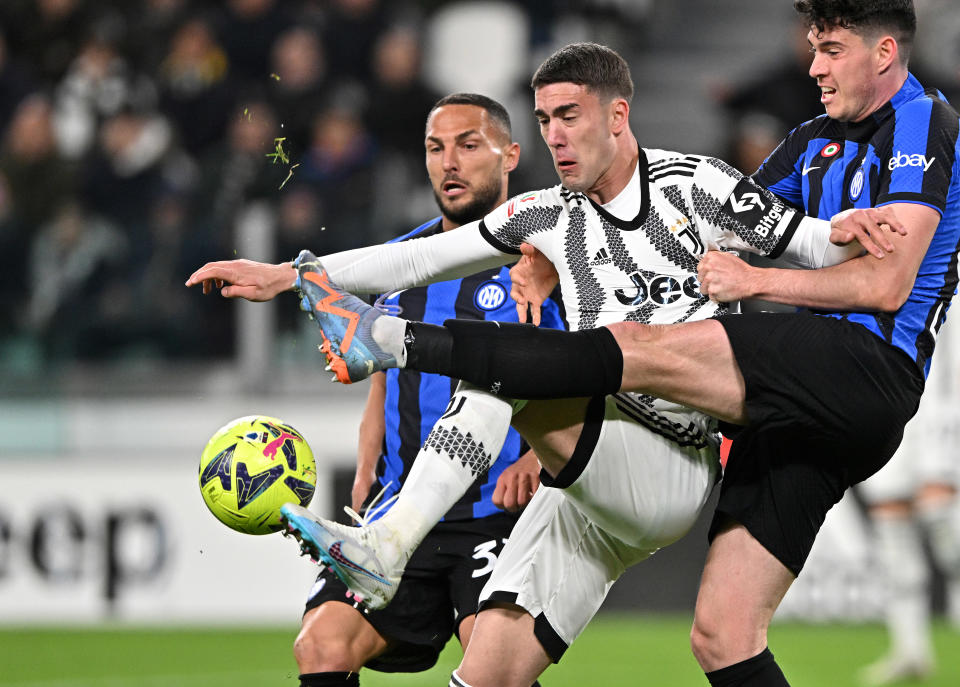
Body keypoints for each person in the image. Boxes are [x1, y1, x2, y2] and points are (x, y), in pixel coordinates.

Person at [187, 37, 903, 686]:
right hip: (586, 478)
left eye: (570, 115)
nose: (555, 136)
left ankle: (387, 542)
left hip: (669, 461)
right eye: (544, 120)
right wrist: (288, 274)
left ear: (618, 114)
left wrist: (857, 233)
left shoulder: (694, 186)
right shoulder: (546, 215)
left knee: (507, 367)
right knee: (488, 674)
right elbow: (415, 257)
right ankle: (388, 541)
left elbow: (809, 245)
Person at [290, 93, 563, 687]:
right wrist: (367, 461)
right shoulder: (398, 263)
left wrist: (544, 456)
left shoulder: (544, 269)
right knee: (321, 645)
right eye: (436, 149)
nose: (450, 163)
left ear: (510, 155)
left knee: (490, 662)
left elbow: (581, 374)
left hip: (497, 514)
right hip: (400, 510)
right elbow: (383, 369)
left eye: (469, 146)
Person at [857, 323, 960, 686]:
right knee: (892, 520)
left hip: (942, 395)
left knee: (940, 515)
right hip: (891, 389)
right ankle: (910, 650)